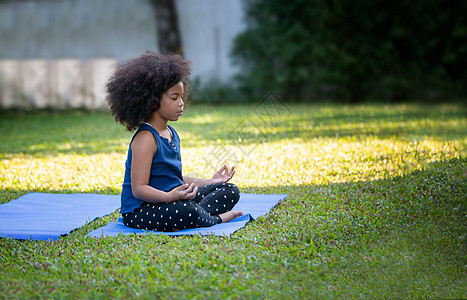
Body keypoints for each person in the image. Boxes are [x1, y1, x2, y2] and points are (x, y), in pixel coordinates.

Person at [106, 51, 243, 231]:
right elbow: (139, 189)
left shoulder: (170, 133)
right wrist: (171, 197)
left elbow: (174, 179)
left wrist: (210, 182)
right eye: (174, 98)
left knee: (229, 190)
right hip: (142, 210)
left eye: (181, 96)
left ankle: (200, 216)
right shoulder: (145, 139)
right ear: (153, 100)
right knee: (187, 211)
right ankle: (216, 218)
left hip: (173, 200)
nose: (181, 103)